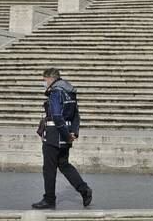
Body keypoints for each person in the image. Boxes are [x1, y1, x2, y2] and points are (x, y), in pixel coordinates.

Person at [32, 68, 92, 209]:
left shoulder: (56, 92)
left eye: (44, 80)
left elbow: (57, 116)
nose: (44, 83)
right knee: (64, 164)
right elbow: (76, 115)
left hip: (54, 135)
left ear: (51, 79)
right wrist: (73, 133)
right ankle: (84, 189)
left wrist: (66, 135)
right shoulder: (70, 92)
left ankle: (49, 199)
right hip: (65, 136)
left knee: (49, 168)